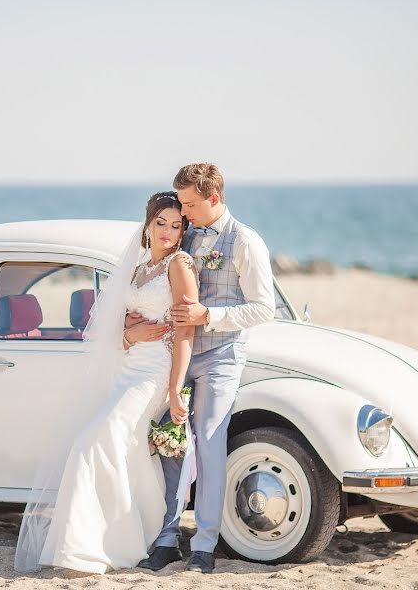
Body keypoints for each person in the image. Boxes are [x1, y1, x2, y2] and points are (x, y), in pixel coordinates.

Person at [13, 191, 200, 574]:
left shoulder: (180, 265)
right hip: (127, 369)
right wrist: (131, 336)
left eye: (175, 225)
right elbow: (118, 325)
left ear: (183, 231)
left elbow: (185, 332)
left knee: (93, 442)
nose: (167, 231)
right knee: (114, 448)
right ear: (148, 225)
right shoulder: (140, 268)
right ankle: (95, 543)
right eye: (160, 223)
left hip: (154, 375)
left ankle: (101, 544)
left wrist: (175, 388)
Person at [128, 163, 275, 574]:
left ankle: (205, 545)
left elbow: (264, 308)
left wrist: (207, 314)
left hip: (220, 357)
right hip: (173, 354)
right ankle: (167, 537)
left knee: (209, 443)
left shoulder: (245, 241)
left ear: (213, 198)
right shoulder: (183, 230)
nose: (184, 212)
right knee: (170, 442)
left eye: (190, 203)